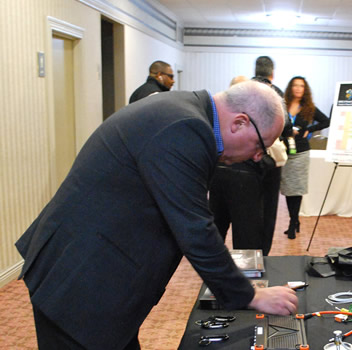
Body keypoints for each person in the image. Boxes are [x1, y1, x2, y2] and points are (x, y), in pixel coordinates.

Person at [15, 81, 298, 349]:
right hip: (80, 281)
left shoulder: (185, 110)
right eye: (260, 146)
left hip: (96, 270)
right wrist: (251, 295)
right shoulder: (186, 128)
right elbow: (195, 228)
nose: (258, 157)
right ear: (239, 123)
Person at [209, 57, 291, 256]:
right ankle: (251, 272)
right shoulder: (272, 96)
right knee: (250, 229)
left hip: (220, 168)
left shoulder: (235, 96)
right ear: (272, 73)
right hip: (252, 174)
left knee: (217, 222)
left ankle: (216, 267)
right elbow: (285, 128)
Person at [281, 76, 330, 239]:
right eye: (295, 85)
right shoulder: (283, 105)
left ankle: (293, 223)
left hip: (301, 152)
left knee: (298, 187)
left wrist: (310, 129)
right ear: (290, 88)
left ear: (305, 89)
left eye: (301, 86)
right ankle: (294, 220)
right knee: (289, 189)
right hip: (285, 151)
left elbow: (326, 121)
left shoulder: (308, 107)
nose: (298, 88)